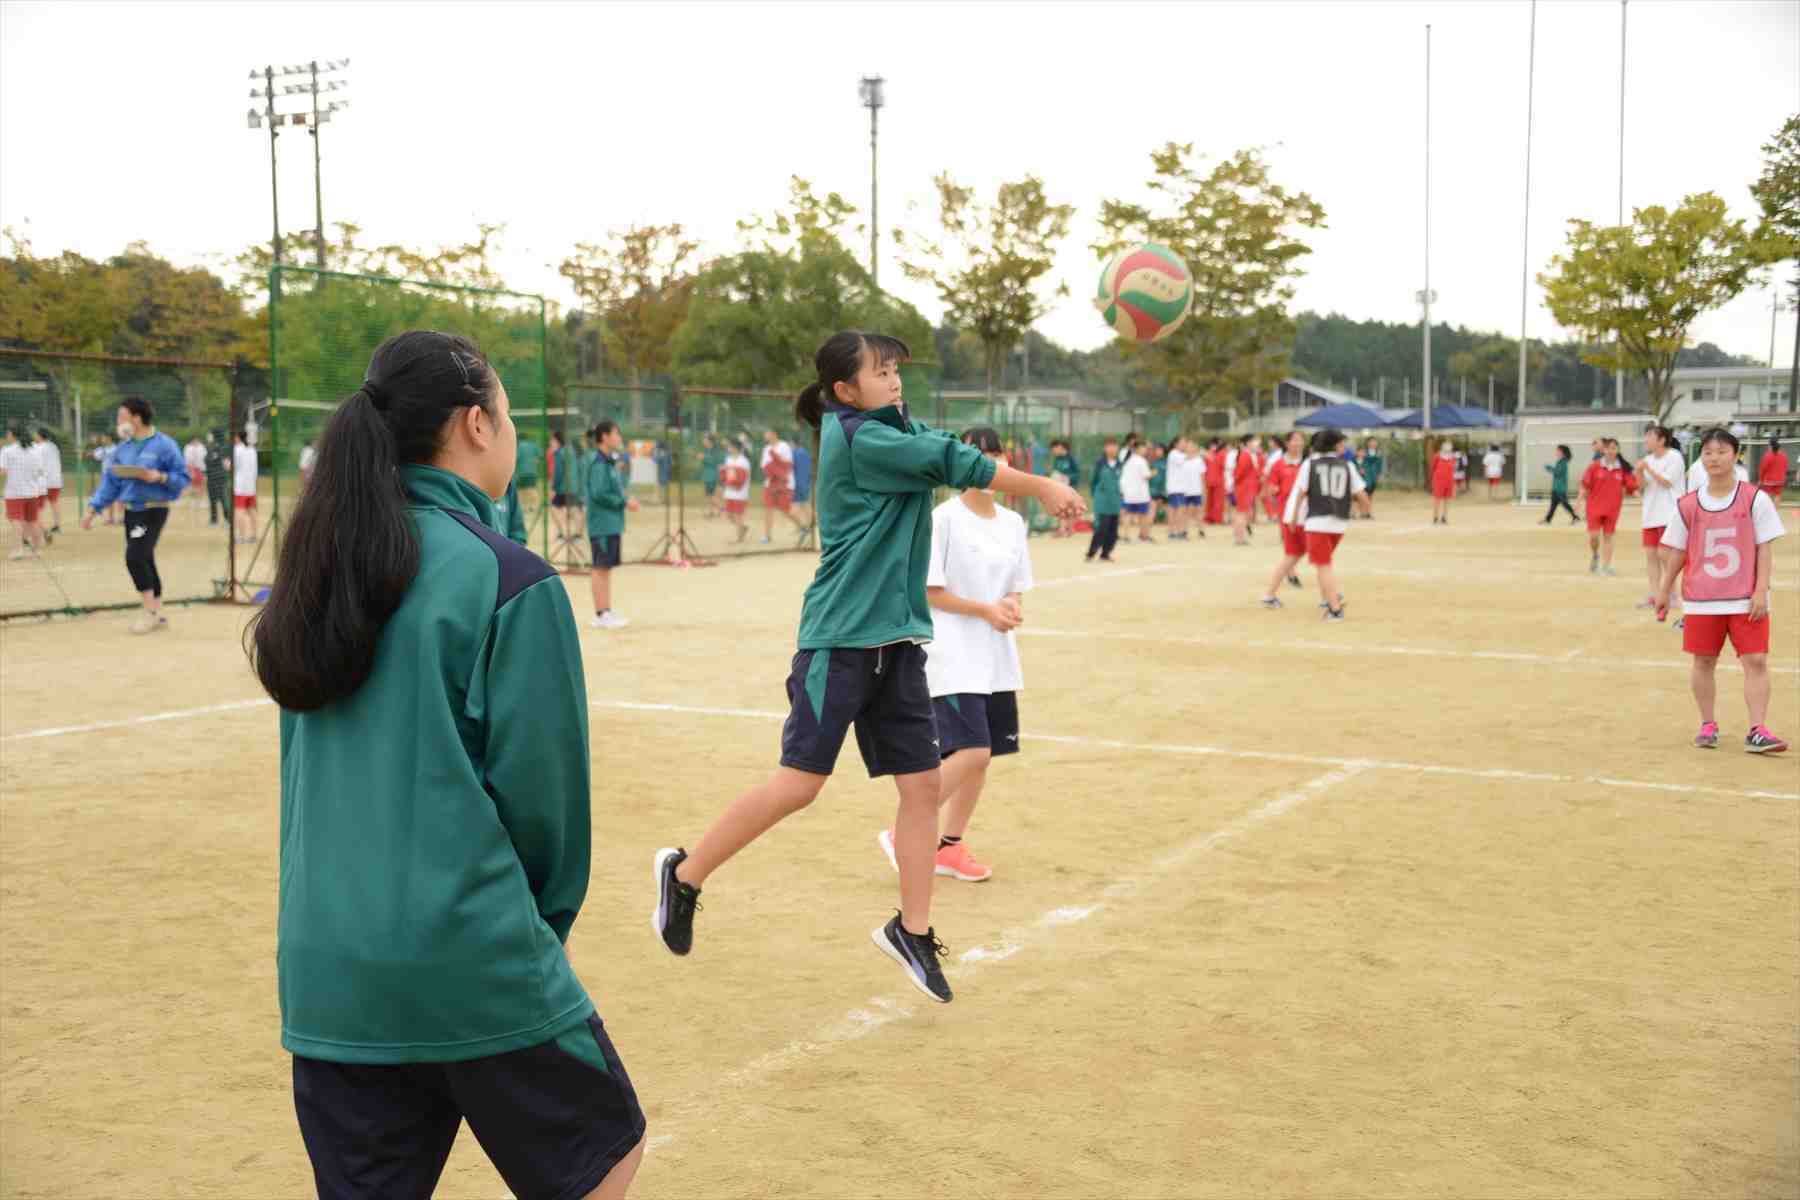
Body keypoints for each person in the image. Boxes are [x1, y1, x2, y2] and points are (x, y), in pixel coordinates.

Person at [245, 331, 646, 1199]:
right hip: (474, 959)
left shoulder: (319, 572)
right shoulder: (506, 578)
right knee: (603, 1154)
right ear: (474, 424)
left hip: (327, 975)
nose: (512, 435)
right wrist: (530, 944)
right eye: (506, 415)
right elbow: (547, 816)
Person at [650, 332, 1083, 1005]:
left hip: (899, 645)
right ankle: (685, 874)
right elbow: (951, 460)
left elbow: (943, 448)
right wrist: (1041, 485)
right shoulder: (860, 439)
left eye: (895, 369)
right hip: (840, 643)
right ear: (846, 390)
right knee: (800, 785)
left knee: (922, 785)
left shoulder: (895, 426)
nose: (894, 379)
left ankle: (911, 930)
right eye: (880, 372)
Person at [873, 426, 1032, 885]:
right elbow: (930, 591)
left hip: (996, 656)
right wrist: (985, 609)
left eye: (996, 454)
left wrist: (1011, 605)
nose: (989, 463)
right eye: (977, 455)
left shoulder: (1013, 523)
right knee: (973, 751)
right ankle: (901, 831)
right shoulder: (943, 519)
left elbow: (1015, 584)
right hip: (952, 653)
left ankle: (949, 846)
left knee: (984, 756)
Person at [1654, 427, 1787, 754]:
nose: (1714, 458)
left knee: (1756, 660)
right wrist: (1664, 590)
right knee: (1703, 662)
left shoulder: (1755, 498)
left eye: (1722, 452)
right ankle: (1708, 723)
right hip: (1701, 600)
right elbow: (1676, 552)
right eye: (1708, 452)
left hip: (1745, 598)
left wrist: (1761, 590)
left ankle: (1757, 730)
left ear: (1736, 455)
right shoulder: (1688, 505)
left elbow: (1764, 549)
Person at [80, 396, 188, 633]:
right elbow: (110, 483)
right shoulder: (123, 449)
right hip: (131, 511)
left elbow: (182, 478)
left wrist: (159, 477)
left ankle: (148, 612)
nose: (118, 421)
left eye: (122, 416)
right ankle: (158, 614)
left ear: (137, 419)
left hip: (154, 509)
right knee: (145, 557)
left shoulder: (165, 445)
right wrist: (92, 509)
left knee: (135, 557)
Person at [1280, 428, 1370, 621]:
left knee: (1323, 566)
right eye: (1341, 443)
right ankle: (1329, 598)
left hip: (1318, 522)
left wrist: (1294, 518)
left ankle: (1334, 609)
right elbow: (1362, 495)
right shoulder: (1347, 465)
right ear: (1334, 445)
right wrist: (1365, 511)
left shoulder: (1310, 464)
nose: (1343, 447)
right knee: (1325, 564)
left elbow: (1301, 493)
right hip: (1339, 523)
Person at [586, 419, 639, 630]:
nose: (619, 438)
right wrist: (624, 502)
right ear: (605, 437)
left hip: (611, 524)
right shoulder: (598, 463)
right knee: (600, 568)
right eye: (616, 434)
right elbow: (599, 494)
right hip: (602, 525)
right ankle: (601, 614)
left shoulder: (608, 461)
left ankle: (606, 610)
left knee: (606, 568)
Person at [1636, 425, 1688, 612]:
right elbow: (1641, 486)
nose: (1646, 440)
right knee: (1651, 557)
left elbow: (1667, 482)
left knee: (1666, 556)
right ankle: (1655, 594)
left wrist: (1647, 468)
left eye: (1650, 436)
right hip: (1650, 515)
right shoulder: (1647, 459)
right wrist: (1640, 472)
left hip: (1669, 514)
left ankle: (1673, 595)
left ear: (1662, 440)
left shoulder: (1674, 457)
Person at [1260, 429, 1309, 607]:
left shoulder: (1307, 462)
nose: (1297, 443)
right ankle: (1287, 578)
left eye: (1300, 440)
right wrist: (1275, 507)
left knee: (1301, 551)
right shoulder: (1279, 464)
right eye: (1294, 440)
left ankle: (1329, 593)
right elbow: (1272, 489)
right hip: (1288, 513)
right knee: (1295, 550)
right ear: (1287, 443)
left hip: (1308, 512)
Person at [1579, 437, 1636, 576]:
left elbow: (1632, 487)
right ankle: (1595, 556)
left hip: (1612, 508)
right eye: (1608, 448)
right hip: (1594, 507)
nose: (1611, 451)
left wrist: (1640, 496)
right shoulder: (1594, 466)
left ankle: (1607, 565)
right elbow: (1585, 485)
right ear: (1603, 449)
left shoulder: (1623, 469)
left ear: (1617, 450)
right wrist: (1579, 501)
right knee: (1594, 537)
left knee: (1609, 537)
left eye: (1614, 448)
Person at [1, 428, 44, 559]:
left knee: (16, 521)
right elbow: (39, 472)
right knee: (33, 521)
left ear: (13, 435)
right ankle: (37, 550)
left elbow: (2, 471)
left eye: (8, 433)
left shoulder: (7, 451)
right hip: (32, 492)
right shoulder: (35, 450)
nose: (7, 436)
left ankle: (18, 550)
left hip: (14, 493)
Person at [1087, 435, 1124, 562]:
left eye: (1114, 446)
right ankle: (1091, 553)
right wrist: (1096, 496)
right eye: (1109, 446)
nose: (1112, 449)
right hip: (1102, 501)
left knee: (1113, 531)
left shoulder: (1119, 464)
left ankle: (1105, 553)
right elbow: (1093, 481)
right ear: (1105, 448)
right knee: (1101, 528)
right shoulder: (1100, 463)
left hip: (1115, 501)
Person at [760, 428, 796, 544]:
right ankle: (767, 535)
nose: (765, 435)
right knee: (768, 509)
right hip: (770, 483)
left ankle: (803, 526)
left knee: (784, 509)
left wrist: (777, 470)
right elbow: (764, 466)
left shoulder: (784, 446)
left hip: (783, 483)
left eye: (767, 433)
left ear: (774, 434)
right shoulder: (766, 449)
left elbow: (787, 465)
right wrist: (769, 472)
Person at [1120, 436, 1154, 542]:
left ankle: (1126, 536)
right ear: (1138, 449)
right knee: (1144, 514)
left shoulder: (1128, 460)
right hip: (1141, 494)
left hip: (1129, 493)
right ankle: (1143, 536)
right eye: (1144, 448)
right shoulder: (1141, 461)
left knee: (1128, 514)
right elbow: (1146, 475)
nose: (1145, 450)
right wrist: (1154, 473)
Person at [548, 429, 577, 552]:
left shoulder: (559, 453)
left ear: (557, 441)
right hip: (572, 487)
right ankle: (569, 534)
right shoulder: (571, 451)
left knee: (555, 510)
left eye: (552, 440)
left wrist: (553, 488)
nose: (551, 442)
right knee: (568, 510)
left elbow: (558, 473)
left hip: (562, 488)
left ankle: (562, 534)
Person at [30, 428, 61, 537]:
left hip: (45, 480)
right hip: (56, 479)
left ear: (40, 436)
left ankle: (40, 527)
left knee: (38, 506)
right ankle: (57, 525)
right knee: (54, 502)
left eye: (36, 434)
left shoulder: (40, 447)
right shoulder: (53, 445)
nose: (34, 436)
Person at [1231, 433, 1260, 545]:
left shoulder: (1250, 455)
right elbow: (1239, 473)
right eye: (1254, 441)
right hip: (1244, 487)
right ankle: (1240, 538)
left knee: (1242, 513)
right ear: (1248, 443)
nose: (1257, 444)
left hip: (1247, 487)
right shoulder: (1245, 455)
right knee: (1241, 513)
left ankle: (1240, 536)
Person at [720, 441, 751, 542]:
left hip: (740, 492)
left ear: (736, 448)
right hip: (729, 491)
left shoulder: (743, 461)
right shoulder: (728, 459)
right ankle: (742, 527)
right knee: (728, 514)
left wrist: (737, 485)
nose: (728, 448)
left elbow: (743, 477)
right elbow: (727, 474)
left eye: (730, 446)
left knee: (738, 514)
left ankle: (739, 537)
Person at [232, 429, 259, 545]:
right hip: (251, 486)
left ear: (238, 437)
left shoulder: (237, 449)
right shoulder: (252, 449)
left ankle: (241, 537)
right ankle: (254, 536)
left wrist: (226, 464)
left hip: (240, 486)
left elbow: (233, 466)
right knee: (252, 510)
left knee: (239, 511)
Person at [1048, 439, 1080, 538]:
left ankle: (1070, 529)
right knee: (1061, 507)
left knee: (1070, 509)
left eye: (1054, 449)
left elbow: (1077, 473)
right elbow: (1055, 473)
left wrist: (1068, 478)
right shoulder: (1057, 459)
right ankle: (1062, 529)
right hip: (1059, 488)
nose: (1053, 452)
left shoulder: (1071, 459)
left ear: (1060, 447)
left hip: (1070, 487)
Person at [1541, 445, 1580, 525]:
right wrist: (1551, 468)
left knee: (1565, 504)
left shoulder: (1563, 462)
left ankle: (1575, 517)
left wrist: (1549, 468)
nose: (1556, 452)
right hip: (1556, 488)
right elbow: (1557, 472)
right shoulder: (1560, 462)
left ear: (1562, 452)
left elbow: (1558, 472)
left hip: (1560, 489)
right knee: (1553, 506)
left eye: (1558, 451)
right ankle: (1548, 520)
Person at [203, 430, 231, 527]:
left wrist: (223, 473)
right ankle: (214, 520)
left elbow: (227, 464)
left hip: (220, 478)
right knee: (212, 500)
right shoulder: (209, 448)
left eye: (210, 435)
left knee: (224, 499)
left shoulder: (223, 448)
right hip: (210, 478)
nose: (208, 437)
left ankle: (228, 520)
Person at [1163, 438, 1189, 540]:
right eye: (1183, 443)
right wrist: (1192, 451)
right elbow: (1188, 457)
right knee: (1179, 510)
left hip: (1178, 488)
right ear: (1176, 444)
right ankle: (1178, 532)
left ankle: (1173, 532)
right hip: (1175, 488)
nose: (1185, 445)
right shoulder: (1174, 453)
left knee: (1175, 510)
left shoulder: (1178, 454)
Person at [1429, 439, 1457, 524]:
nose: (1447, 448)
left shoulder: (1453, 457)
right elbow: (1433, 467)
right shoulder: (1437, 456)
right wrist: (1433, 478)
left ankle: (1444, 517)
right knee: (1437, 499)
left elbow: (1453, 469)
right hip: (1439, 480)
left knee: (1447, 499)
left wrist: (1454, 482)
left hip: (1449, 480)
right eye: (1445, 446)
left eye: (1449, 447)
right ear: (1442, 448)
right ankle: (1435, 517)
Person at [791, 433, 814, 530]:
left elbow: (797, 471)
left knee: (794, 509)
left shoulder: (796, 454)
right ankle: (809, 525)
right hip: (805, 483)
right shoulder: (805, 452)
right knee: (805, 505)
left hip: (799, 484)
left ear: (793, 443)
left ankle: (804, 526)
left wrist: (798, 485)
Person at [700, 433, 724, 518]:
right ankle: (711, 511)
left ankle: (722, 509)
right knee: (708, 495)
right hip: (707, 474)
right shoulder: (706, 450)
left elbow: (715, 462)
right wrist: (703, 457)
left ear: (710, 441)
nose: (703, 441)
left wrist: (704, 458)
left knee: (711, 495)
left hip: (712, 475)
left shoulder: (715, 451)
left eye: (705, 439)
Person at [1757, 436, 1788, 504]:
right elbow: (1785, 468)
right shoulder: (1784, 456)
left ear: (1770, 446)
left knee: (1767, 496)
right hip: (1780, 480)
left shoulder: (1767, 456)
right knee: (1777, 495)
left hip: (1768, 481)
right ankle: (1775, 511)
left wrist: (1760, 480)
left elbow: (1763, 469)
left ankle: (1769, 511)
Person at [1203, 439, 1227, 526]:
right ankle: (1216, 518)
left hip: (1210, 480)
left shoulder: (1207, 454)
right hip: (1218, 481)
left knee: (1211, 501)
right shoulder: (1222, 454)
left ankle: (1210, 518)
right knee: (1217, 501)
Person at [1360, 438, 1383, 519]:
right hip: (1365, 476)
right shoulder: (1364, 452)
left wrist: (1379, 475)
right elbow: (1360, 461)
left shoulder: (1379, 453)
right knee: (1363, 494)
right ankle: (1363, 512)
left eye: (1374, 442)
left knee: (1370, 495)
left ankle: (1368, 512)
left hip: (1373, 475)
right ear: (1367, 443)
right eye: (1371, 442)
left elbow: (1380, 465)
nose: (1373, 443)